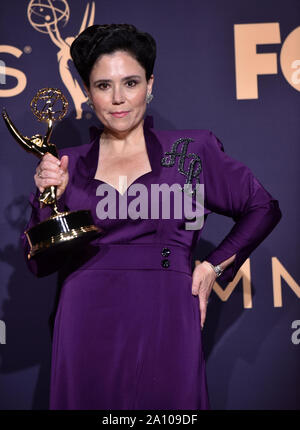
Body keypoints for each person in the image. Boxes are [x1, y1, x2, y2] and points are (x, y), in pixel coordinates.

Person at [21, 24, 282, 410]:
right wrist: (48, 198)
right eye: (103, 86)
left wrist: (212, 266)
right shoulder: (65, 165)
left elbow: (262, 207)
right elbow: (39, 263)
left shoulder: (193, 150)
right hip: (84, 316)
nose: (118, 99)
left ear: (150, 84)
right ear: (87, 93)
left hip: (168, 312)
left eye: (130, 82)